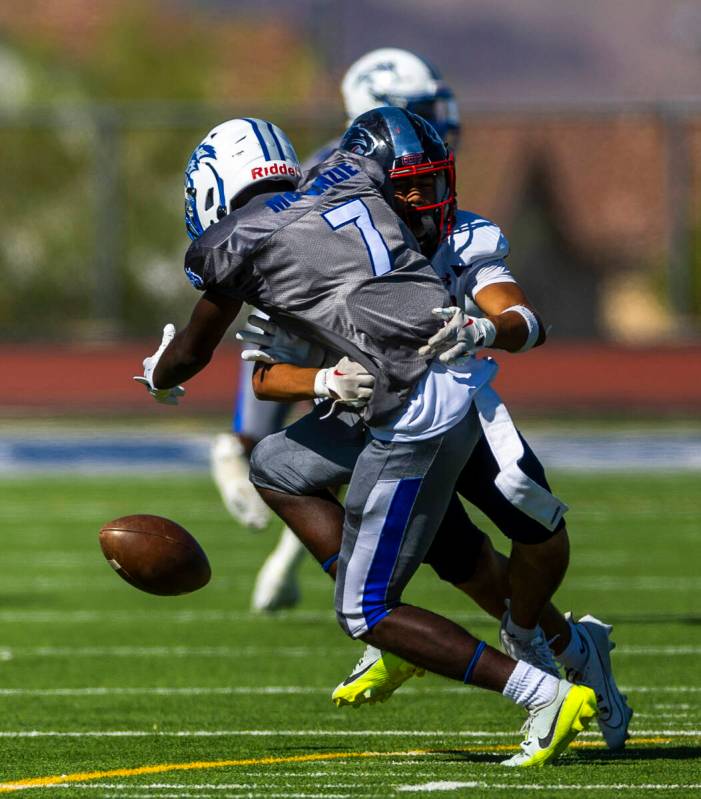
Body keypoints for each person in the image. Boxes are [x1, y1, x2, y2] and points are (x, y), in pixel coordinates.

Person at [136, 110, 598, 766]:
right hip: (435, 382)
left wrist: (157, 372)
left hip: (411, 406)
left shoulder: (236, 239)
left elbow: (189, 354)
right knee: (275, 464)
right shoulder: (348, 174)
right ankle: (411, 618)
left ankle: (541, 693)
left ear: (213, 187)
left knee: (364, 609)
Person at [209, 48, 462, 612]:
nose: (440, 118)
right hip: (339, 312)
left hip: (349, 306)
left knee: (333, 442)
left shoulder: (377, 162)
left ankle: (300, 559)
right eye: (420, 107)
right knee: (326, 430)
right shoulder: (353, 168)